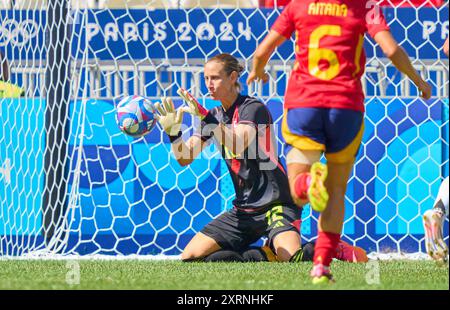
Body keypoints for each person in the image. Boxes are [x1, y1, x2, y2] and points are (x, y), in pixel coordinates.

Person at [247, 0, 432, 283]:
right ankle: (321, 263)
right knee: (336, 191)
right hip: (346, 107)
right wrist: (418, 81)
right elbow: (391, 49)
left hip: (304, 105)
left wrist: (258, 69)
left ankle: (309, 183)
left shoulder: (299, 5)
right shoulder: (364, 5)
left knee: (298, 193)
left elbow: (263, 50)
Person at [154, 53, 366, 264]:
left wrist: (204, 116)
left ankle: (331, 247)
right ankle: (266, 254)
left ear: (233, 77)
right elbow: (184, 158)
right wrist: (174, 132)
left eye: (215, 78)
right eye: (206, 78)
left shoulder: (252, 108)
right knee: (191, 257)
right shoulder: (215, 116)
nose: (209, 84)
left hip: (277, 203)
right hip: (244, 210)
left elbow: (236, 144)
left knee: (293, 258)